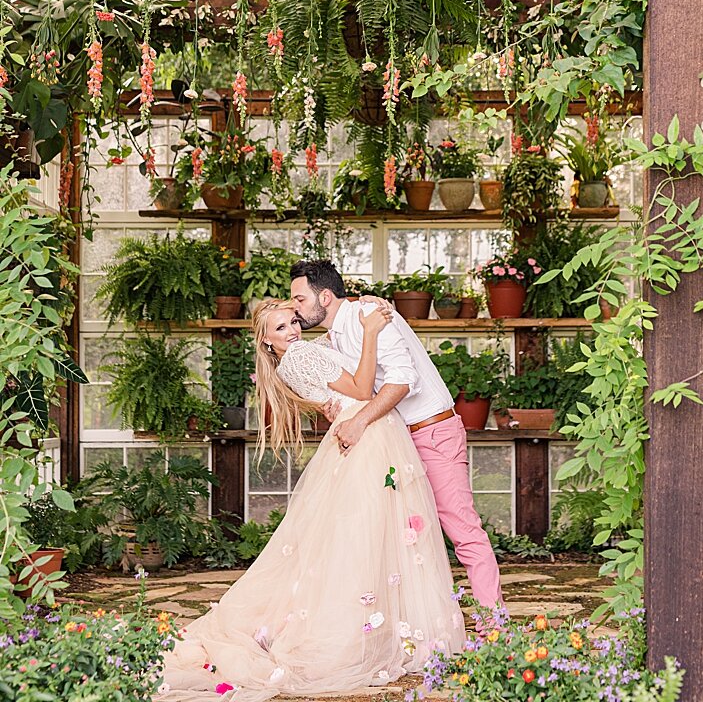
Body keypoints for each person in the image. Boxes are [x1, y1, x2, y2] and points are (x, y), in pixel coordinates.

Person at [157, 299, 465, 701]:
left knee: (362, 536)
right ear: (266, 341)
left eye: (293, 322)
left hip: (368, 433)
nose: (293, 331)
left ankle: (372, 626)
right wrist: (371, 332)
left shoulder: (298, 356)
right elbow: (362, 388)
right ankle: (359, 631)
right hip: (368, 435)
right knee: (366, 536)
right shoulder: (299, 357)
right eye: (281, 328)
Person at [287, 259, 503, 610]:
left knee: (463, 530)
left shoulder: (372, 315)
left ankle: (496, 629)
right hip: (391, 442)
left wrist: (358, 423)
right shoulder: (333, 338)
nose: (294, 308)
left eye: (299, 299)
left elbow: (403, 380)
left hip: (431, 433)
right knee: (395, 537)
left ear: (324, 297)